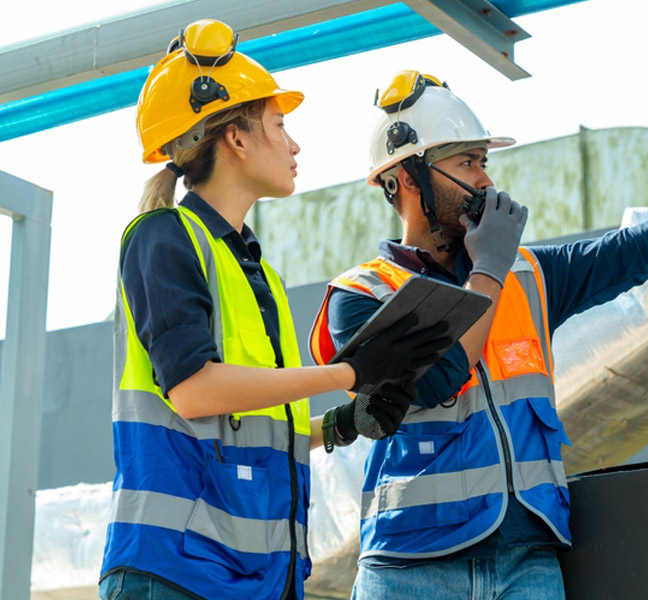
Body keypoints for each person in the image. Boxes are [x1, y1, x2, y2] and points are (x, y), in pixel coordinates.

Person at [307, 70, 648, 599]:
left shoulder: (529, 276)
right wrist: (490, 268)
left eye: (484, 161)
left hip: (527, 561)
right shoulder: (363, 297)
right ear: (407, 177)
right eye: (469, 162)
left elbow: (647, 246)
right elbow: (440, 379)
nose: (486, 180)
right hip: (412, 569)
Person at [99, 29, 451, 600]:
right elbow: (194, 391)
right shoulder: (163, 238)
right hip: (176, 574)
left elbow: (248, 427)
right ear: (235, 136)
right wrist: (352, 374)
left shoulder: (255, 271)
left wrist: (339, 425)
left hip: (255, 578)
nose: (294, 145)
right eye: (280, 125)